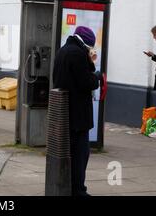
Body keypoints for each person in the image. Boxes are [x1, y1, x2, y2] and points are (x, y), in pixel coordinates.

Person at [53, 26, 101, 197]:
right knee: (80, 155)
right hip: (78, 114)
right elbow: (86, 82)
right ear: (87, 44)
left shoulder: (64, 50)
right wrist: (95, 73)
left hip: (65, 111)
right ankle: (78, 190)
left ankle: (70, 187)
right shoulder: (78, 54)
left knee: (71, 153)